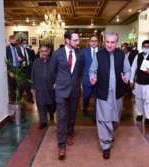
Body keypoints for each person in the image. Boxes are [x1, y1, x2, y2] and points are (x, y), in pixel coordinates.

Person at [89, 31, 131, 159]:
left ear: (116, 43)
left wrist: (126, 78)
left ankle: (110, 134)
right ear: (104, 42)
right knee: (103, 119)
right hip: (102, 91)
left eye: (112, 42)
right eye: (107, 42)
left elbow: (127, 70)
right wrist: (92, 78)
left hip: (117, 93)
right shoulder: (99, 55)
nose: (109, 45)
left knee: (115, 119)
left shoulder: (122, 55)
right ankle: (106, 145)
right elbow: (92, 70)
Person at [50, 30, 84, 159]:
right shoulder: (57, 54)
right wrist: (57, 82)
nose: (78, 42)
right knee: (62, 116)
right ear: (67, 40)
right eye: (75, 40)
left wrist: (76, 82)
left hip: (75, 90)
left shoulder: (80, 54)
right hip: (61, 90)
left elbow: (81, 70)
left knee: (72, 115)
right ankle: (61, 145)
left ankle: (70, 133)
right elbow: (52, 71)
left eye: (78, 40)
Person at [31, 45, 56, 129]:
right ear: (39, 52)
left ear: (48, 52)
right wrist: (32, 87)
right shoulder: (36, 62)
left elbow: (57, 73)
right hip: (39, 87)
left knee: (51, 104)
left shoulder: (53, 61)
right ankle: (43, 121)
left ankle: (51, 113)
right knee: (41, 105)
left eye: (45, 51)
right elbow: (33, 75)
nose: (44, 53)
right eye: (42, 51)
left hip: (50, 87)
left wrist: (56, 82)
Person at [82, 35, 101, 119]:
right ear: (89, 42)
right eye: (92, 41)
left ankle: (95, 115)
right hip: (87, 79)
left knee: (98, 98)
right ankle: (85, 108)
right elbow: (81, 65)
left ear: (98, 42)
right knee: (86, 96)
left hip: (99, 79)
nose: (94, 42)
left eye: (95, 41)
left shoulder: (102, 51)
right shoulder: (84, 52)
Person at [6, 35, 24, 101]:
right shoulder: (7, 49)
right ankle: (13, 102)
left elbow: (23, 58)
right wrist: (9, 71)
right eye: (12, 41)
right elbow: (6, 61)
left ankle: (18, 99)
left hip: (18, 69)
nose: (14, 42)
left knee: (20, 86)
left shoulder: (18, 48)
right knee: (12, 86)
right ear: (9, 40)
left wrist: (21, 59)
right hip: (12, 69)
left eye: (15, 41)